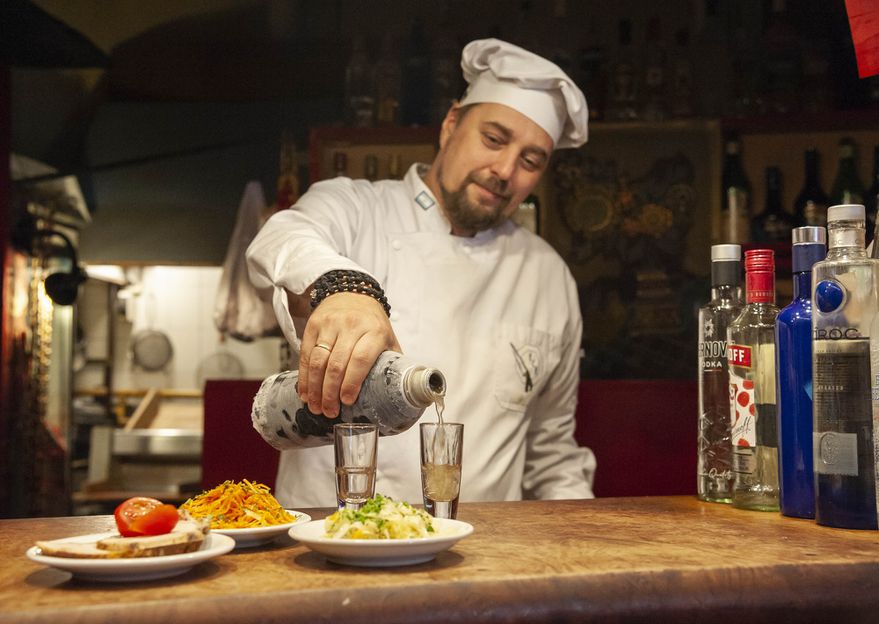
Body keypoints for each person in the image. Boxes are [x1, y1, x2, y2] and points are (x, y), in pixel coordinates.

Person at [246, 38, 596, 508]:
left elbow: (551, 453)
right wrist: (344, 288)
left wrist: (584, 536)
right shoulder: (355, 207)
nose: (504, 169)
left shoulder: (548, 276)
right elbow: (282, 237)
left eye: (531, 161)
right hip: (329, 534)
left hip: (486, 545)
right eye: (493, 139)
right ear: (451, 124)